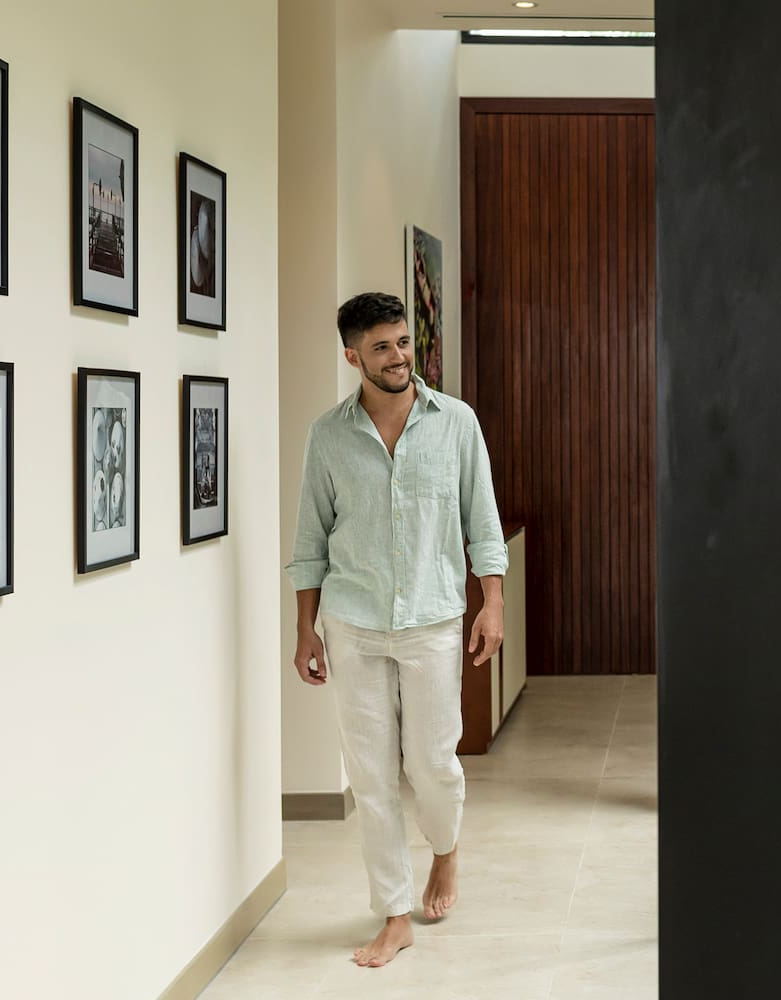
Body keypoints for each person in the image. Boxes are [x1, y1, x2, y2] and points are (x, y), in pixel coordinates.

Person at [285, 291, 508, 969]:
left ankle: (446, 851)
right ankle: (393, 912)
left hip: (433, 620)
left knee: (433, 765)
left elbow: (483, 523)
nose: (398, 357)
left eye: (404, 342)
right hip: (352, 624)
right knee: (371, 777)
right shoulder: (328, 436)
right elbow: (309, 540)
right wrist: (306, 629)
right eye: (381, 347)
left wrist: (491, 603)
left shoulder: (456, 423)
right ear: (352, 355)